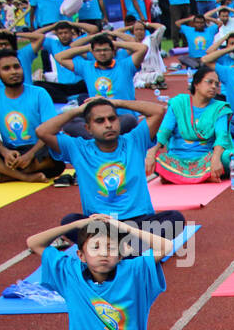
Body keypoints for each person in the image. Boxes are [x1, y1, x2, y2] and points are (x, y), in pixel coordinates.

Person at [25, 214, 180, 330]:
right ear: (81, 255)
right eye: (95, 247)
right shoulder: (69, 273)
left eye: (111, 248)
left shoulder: (134, 272)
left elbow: (167, 247)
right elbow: (33, 243)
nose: (104, 253)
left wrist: (124, 227)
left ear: (121, 254)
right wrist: (75, 225)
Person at [37, 97, 185, 240]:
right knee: (69, 222)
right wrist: (78, 111)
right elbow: (42, 131)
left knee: (175, 219)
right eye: (100, 121)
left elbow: (158, 111)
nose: (108, 125)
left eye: (112, 119)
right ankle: (126, 248)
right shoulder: (78, 148)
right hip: (102, 224)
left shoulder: (134, 140)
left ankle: (112, 248)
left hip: (139, 224)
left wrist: (115, 102)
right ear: (88, 128)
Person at [0, 50, 65, 183]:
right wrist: (5, 152)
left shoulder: (39, 93)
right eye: (6, 68)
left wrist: (30, 155)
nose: (13, 72)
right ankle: (24, 176)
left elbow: (51, 130)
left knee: (57, 154)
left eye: (16, 67)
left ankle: (9, 174)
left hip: (38, 149)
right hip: (11, 153)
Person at [146, 67, 234, 184]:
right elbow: (164, 132)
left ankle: (174, 177)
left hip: (206, 158)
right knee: (155, 159)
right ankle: (204, 177)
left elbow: (221, 137)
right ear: (196, 84)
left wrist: (215, 159)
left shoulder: (220, 108)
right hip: (177, 158)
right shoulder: (178, 103)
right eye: (209, 82)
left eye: (216, 84)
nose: (214, 86)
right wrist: (152, 152)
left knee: (225, 158)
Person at [54, 32, 148, 135]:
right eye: (98, 51)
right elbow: (59, 57)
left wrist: (115, 43)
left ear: (113, 51)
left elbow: (142, 48)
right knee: (68, 123)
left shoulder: (125, 65)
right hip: (97, 119)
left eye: (106, 50)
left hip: (122, 118)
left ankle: (98, 138)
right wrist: (88, 48)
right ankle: (99, 137)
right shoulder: (86, 67)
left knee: (129, 120)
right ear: (92, 53)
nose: (102, 53)